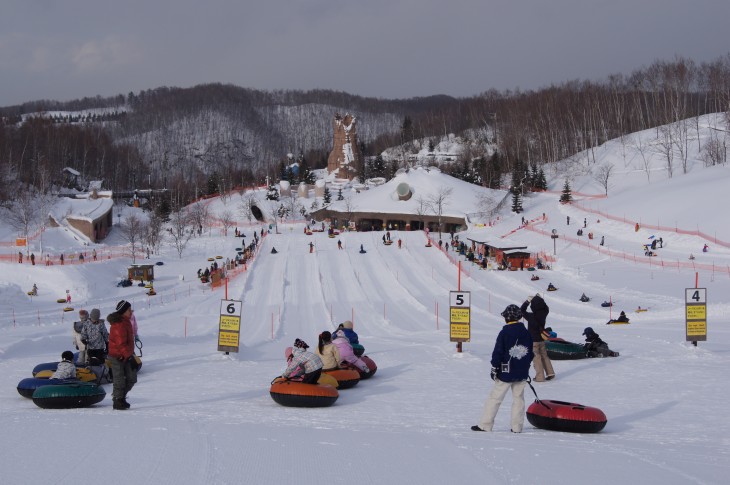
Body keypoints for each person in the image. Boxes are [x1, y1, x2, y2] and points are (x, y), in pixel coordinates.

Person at [472, 304, 534, 433]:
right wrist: (525, 366)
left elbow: (498, 352)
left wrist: (495, 367)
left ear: (507, 317)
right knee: (519, 399)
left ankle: (485, 425)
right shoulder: (526, 333)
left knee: (495, 398)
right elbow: (530, 353)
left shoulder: (505, 332)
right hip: (522, 371)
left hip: (506, 371)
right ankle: (517, 427)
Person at [108, 300, 138, 410]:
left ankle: (121, 397)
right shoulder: (119, 324)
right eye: (129, 310)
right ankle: (117, 400)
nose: (131, 312)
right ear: (123, 311)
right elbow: (120, 343)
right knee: (119, 380)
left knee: (132, 378)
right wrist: (129, 357)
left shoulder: (126, 321)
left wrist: (130, 355)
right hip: (118, 356)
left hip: (126, 354)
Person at [520, 294, 555, 382]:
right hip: (542, 339)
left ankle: (540, 377)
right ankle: (550, 373)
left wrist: (527, 301)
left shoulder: (531, 316)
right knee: (544, 356)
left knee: (537, 358)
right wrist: (541, 299)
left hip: (533, 341)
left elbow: (521, 310)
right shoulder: (544, 314)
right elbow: (546, 308)